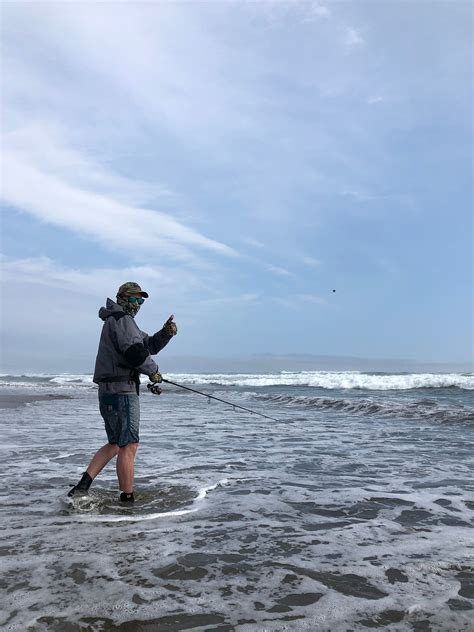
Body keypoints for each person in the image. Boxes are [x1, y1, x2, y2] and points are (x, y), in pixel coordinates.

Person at [68, 281, 177, 503]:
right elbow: (135, 353)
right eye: (134, 298)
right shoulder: (122, 320)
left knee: (117, 443)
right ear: (122, 298)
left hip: (110, 391)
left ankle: (81, 487)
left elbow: (147, 346)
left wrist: (165, 334)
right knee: (129, 445)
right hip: (121, 392)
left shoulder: (119, 321)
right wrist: (154, 371)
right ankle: (127, 500)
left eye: (141, 300)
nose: (138, 303)